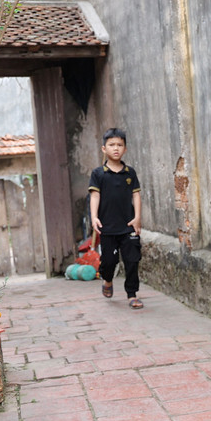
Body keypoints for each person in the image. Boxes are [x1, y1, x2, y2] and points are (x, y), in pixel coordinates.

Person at [89, 128, 144, 309]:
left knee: (132, 260)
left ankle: (132, 294)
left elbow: (136, 196)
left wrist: (137, 218)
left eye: (120, 145)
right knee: (109, 261)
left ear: (125, 149)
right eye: (111, 145)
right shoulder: (99, 174)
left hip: (128, 226)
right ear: (104, 149)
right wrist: (94, 217)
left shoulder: (130, 173)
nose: (116, 148)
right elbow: (95, 196)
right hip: (108, 227)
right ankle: (107, 279)